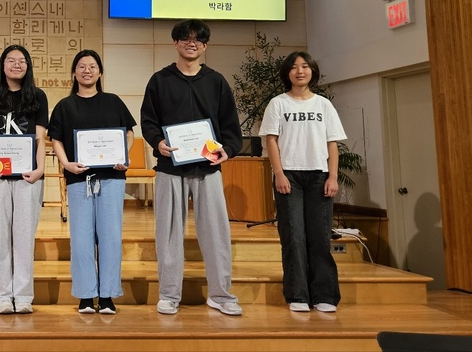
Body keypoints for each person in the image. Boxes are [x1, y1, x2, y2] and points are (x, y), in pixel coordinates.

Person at [140, 19, 243, 316]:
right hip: (170, 169)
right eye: (185, 38)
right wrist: (158, 142)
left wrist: (227, 151)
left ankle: (221, 295)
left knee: (216, 234)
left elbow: (230, 127)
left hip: (207, 169)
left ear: (205, 46)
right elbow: (148, 121)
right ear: (175, 43)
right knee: (168, 234)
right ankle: (169, 294)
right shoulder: (160, 80)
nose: (191, 43)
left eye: (198, 39)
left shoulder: (216, 81)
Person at [48, 49, 136, 315]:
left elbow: (128, 133)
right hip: (78, 179)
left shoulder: (113, 101)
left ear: (100, 72)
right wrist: (66, 164)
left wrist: (123, 156)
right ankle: (86, 295)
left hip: (112, 178)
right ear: (74, 72)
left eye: (92, 66)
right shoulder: (65, 105)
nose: (87, 71)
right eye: (82, 66)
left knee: (110, 237)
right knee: (81, 239)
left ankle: (107, 295)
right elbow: (56, 139)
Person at [259, 52, 346, 313]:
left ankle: (324, 295)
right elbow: (271, 139)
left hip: (319, 176)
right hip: (290, 177)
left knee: (320, 236)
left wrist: (333, 176)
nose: (300, 71)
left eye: (305, 66)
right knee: (293, 236)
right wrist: (279, 173)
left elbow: (332, 143)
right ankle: (297, 294)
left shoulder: (323, 105)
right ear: (287, 73)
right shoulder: (278, 103)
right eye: (294, 67)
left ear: (312, 71)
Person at [0, 45, 48, 314]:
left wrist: (40, 170)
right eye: (11, 60)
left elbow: (40, 139)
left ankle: (24, 295)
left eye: (22, 60)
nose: (17, 64)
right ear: (2, 65)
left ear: (28, 66)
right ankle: (2, 296)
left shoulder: (38, 95)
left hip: (29, 176)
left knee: (25, 237)